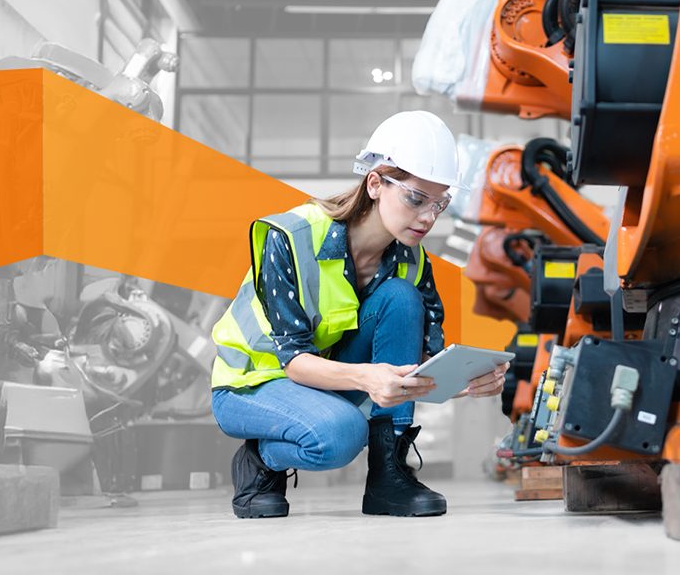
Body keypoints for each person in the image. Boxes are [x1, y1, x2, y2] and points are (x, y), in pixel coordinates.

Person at [210, 111, 507, 519]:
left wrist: (464, 381)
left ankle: (389, 475)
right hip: (250, 384)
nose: (428, 217)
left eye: (439, 204)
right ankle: (262, 460)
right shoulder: (290, 238)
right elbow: (293, 359)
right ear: (375, 183)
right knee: (340, 434)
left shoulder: (413, 263)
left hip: (323, 380)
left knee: (401, 297)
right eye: (415, 199)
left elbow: (413, 369)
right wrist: (367, 377)